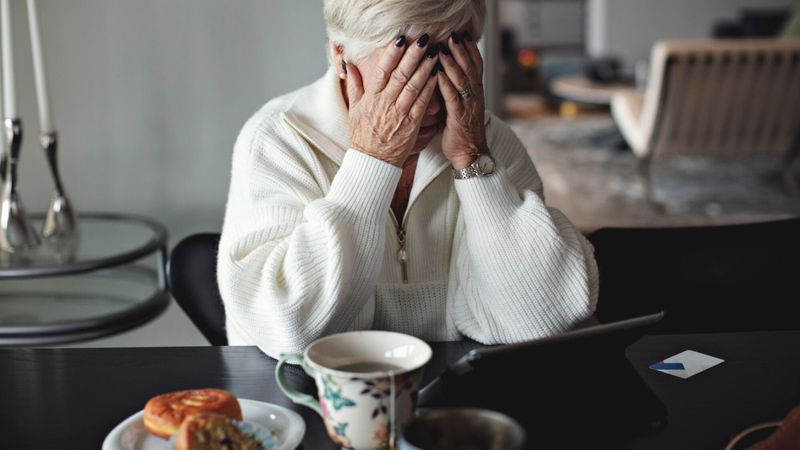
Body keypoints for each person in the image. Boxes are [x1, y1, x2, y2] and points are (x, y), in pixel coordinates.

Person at [218, 0, 598, 358]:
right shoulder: (278, 138)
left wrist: (473, 162)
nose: (430, 106)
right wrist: (373, 159)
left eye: (444, 69)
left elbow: (541, 319)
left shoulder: (489, 140)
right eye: (404, 79)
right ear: (340, 56)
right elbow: (290, 331)